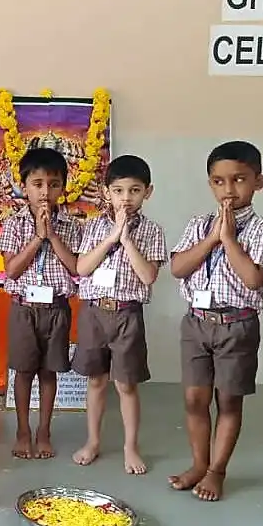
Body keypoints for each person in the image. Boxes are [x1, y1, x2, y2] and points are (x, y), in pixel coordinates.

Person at [167, 140, 263, 502]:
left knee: (228, 401)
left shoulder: (262, 231)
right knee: (194, 399)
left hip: (237, 325)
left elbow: (253, 279)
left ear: (258, 182)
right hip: (197, 322)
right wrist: (212, 237)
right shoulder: (199, 224)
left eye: (239, 180)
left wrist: (228, 239)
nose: (228, 190)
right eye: (218, 181)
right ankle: (199, 463)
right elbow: (178, 267)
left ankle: (217, 471)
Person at [70, 155, 166, 474]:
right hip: (95, 312)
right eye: (119, 190)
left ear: (147, 192)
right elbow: (82, 268)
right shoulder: (95, 225)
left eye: (135, 190)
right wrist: (111, 237)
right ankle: (93, 441)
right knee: (96, 381)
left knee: (126, 384)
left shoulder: (152, 230)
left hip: (127, 315)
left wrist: (126, 240)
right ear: (106, 192)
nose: (126, 198)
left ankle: (130, 447)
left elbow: (149, 276)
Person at [0, 147, 81, 460]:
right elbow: (12, 269)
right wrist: (37, 237)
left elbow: (76, 268)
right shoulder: (14, 225)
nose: (45, 191)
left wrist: (52, 235)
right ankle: (22, 430)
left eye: (54, 184)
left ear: (63, 187)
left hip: (56, 309)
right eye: (37, 183)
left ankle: (44, 431)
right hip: (23, 308)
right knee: (23, 371)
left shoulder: (72, 226)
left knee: (48, 372)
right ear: (24, 186)